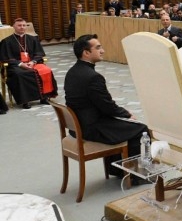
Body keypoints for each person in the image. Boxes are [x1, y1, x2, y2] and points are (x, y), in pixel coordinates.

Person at [65, 34, 148, 180]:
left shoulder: (72, 72)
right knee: (141, 129)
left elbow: (102, 104)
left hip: (77, 127)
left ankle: (117, 170)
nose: (102, 51)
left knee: (123, 125)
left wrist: (121, 114)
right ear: (86, 52)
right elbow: (107, 106)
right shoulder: (93, 77)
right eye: (98, 48)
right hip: (92, 128)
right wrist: (127, 114)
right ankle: (134, 177)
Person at [0, 18, 58, 108]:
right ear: (14, 26)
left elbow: (39, 53)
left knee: (46, 70)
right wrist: (21, 64)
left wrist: (33, 62)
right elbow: (5, 57)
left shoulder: (33, 39)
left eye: (24, 25)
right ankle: (25, 101)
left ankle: (44, 97)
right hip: (16, 66)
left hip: (33, 63)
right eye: (19, 25)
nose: (22, 27)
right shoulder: (6, 41)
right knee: (20, 74)